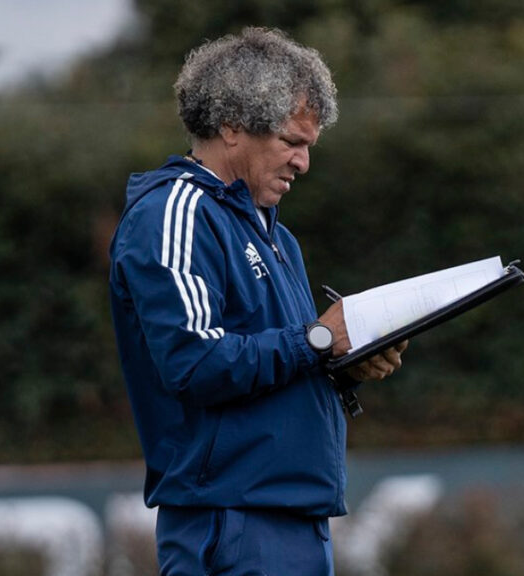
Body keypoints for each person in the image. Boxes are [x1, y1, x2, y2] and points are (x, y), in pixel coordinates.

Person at [108, 27, 406, 576]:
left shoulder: (276, 235)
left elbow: (285, 361)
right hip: (230, 520)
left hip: (294, 517)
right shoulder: (174, 213)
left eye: (309, 147)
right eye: (292, 142)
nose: (303, 163)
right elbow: (194, 363)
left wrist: (347, 364)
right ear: (232, 126)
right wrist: (318, 337)